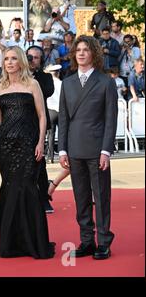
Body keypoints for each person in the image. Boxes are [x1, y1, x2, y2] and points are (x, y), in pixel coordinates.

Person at [0, 46, 55, 259]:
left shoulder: (32, 84)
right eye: (6, 59)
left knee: (27, 187)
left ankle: (33, 241)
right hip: (6, 145)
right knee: (9, 188)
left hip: (28, 144)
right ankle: (12, 241)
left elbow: (42, 116)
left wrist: (40, 142)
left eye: (13, 59)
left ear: (21, 62)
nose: (9, 62)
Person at [58, 35, 118, 260]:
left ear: (94, 53)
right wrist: (62, 149)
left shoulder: (105, 82)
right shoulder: (68, 82)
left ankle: (104, 241)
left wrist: (106, 151)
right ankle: (86, 241)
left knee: (101, 197)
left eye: (86, 49)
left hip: (96, 149)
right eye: (78, 50)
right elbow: (63, 118)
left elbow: (110, 119)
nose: (81, 53)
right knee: (81, 197)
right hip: (74, 149)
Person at [26, 45, 55, 213]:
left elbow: (47, 91)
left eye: (36, 57)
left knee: (39, 162)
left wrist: (31, 77)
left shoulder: (45, 78)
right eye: (29, 57)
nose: (32, 60)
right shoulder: (16, 76)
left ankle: (44, 198)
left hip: (38, 124)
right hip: (19, 124)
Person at [44, 64, 62, 163]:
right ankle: (64, 154)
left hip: (50, 110)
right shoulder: (61, 83)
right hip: (61, 110)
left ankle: (50, 157)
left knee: (50, 134)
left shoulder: (47, 84)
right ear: (58, 73)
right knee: (63, 134)